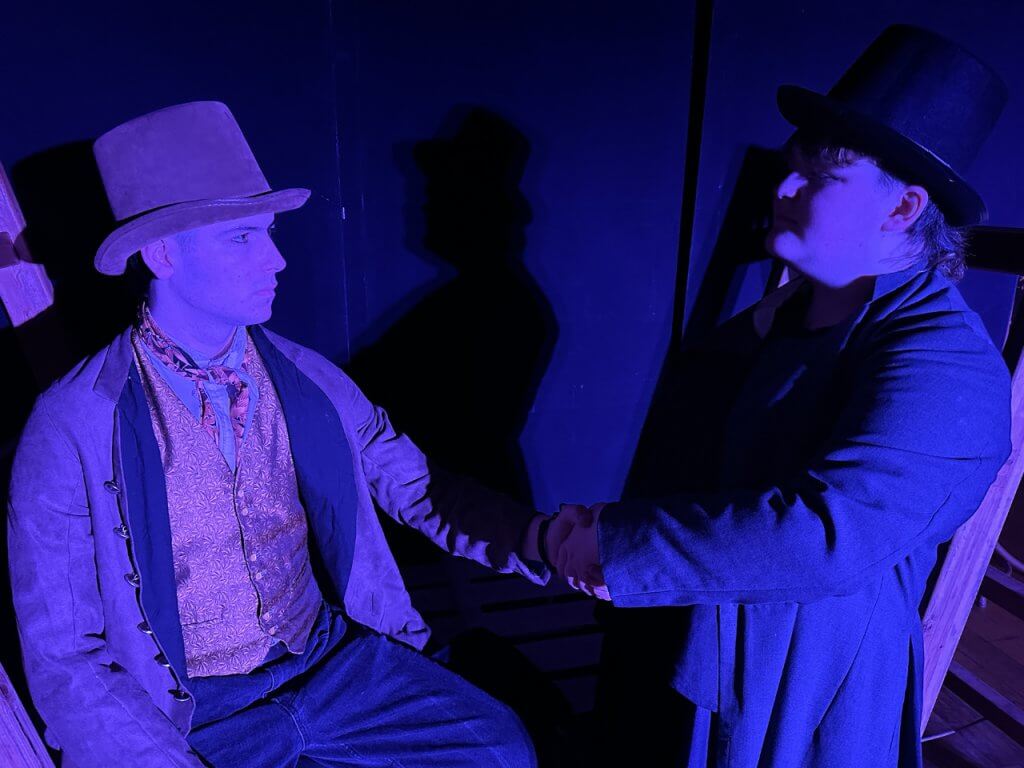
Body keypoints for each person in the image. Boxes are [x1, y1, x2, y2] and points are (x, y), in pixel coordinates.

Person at [7, 100, 566, 768]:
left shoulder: (309, 379)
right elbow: (65, 654)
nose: (276, 260)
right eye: (241, 238)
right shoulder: (71, 424)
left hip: (331, 665)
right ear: (162, 253)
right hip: (197, 711)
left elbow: (418, 487)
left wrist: (547, 541)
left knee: (496, 749)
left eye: (269, 233)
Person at [550, 25, 1011, 767]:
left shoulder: (948, 367)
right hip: (687, 624)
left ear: (902, 209)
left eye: (818, 177)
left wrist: (611, 545)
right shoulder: (784, 313)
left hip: (799, 682)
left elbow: (824, 538)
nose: (783, 190)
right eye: (789, 169)